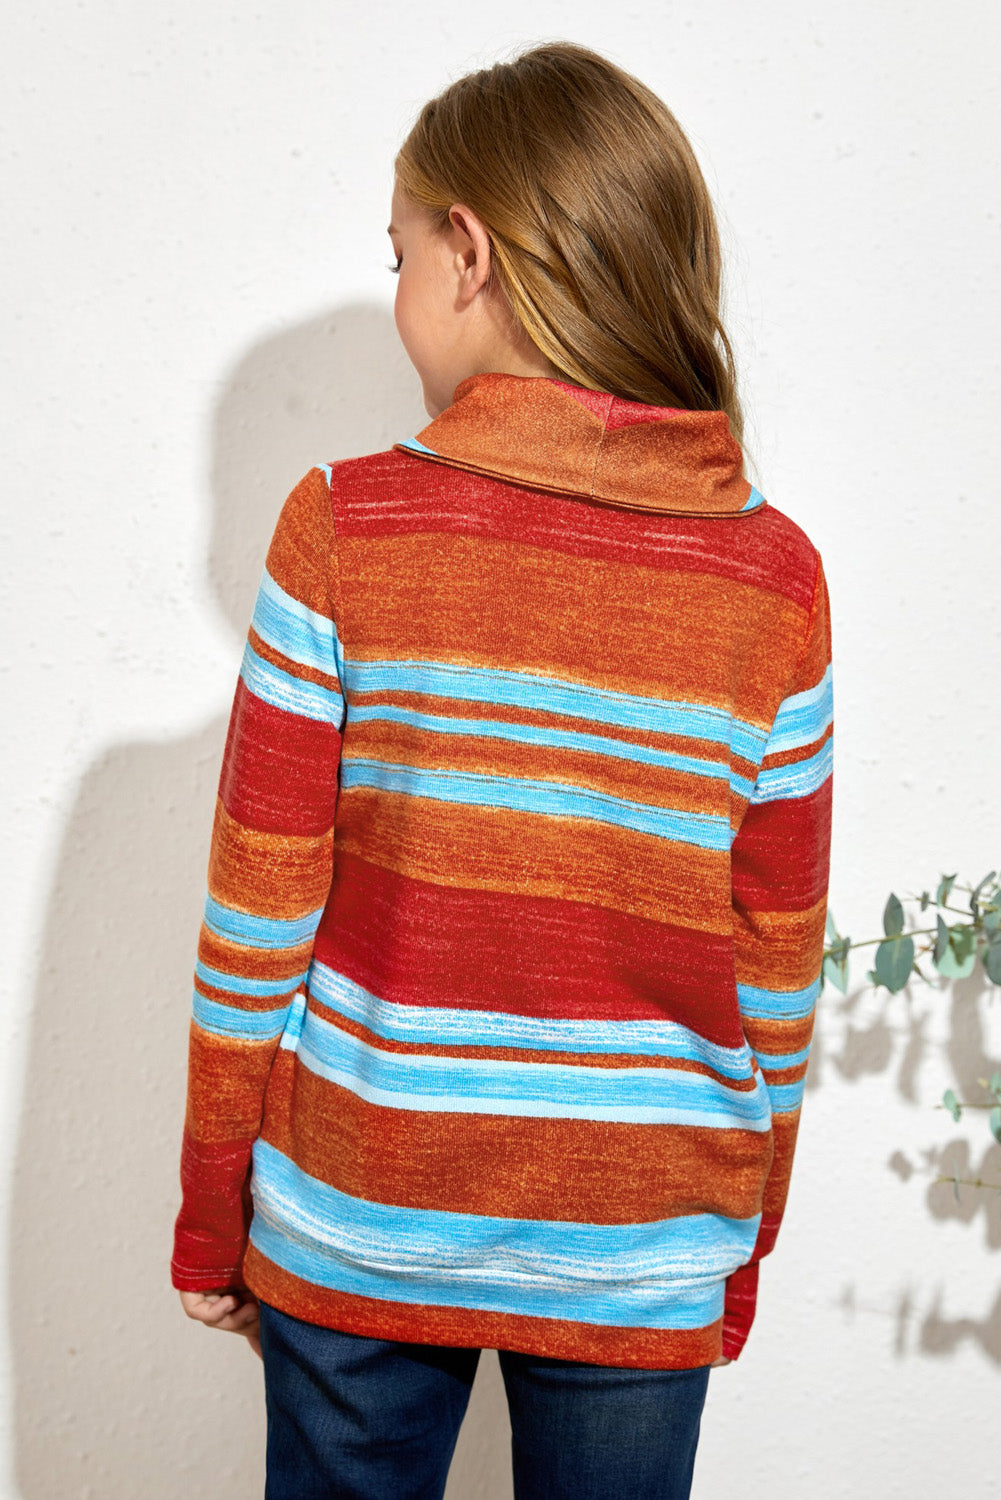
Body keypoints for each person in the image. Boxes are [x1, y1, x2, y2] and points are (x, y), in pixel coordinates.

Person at [171, 39, 834, 1500]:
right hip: (643, 1241)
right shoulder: (774, 579)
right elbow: (777, 963)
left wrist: (213, 1209)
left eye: (400, 252)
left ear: (467, 254)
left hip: (361, 1218)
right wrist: (742, 1238)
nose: (401, 288)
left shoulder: (345, 526)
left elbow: (255, 929)